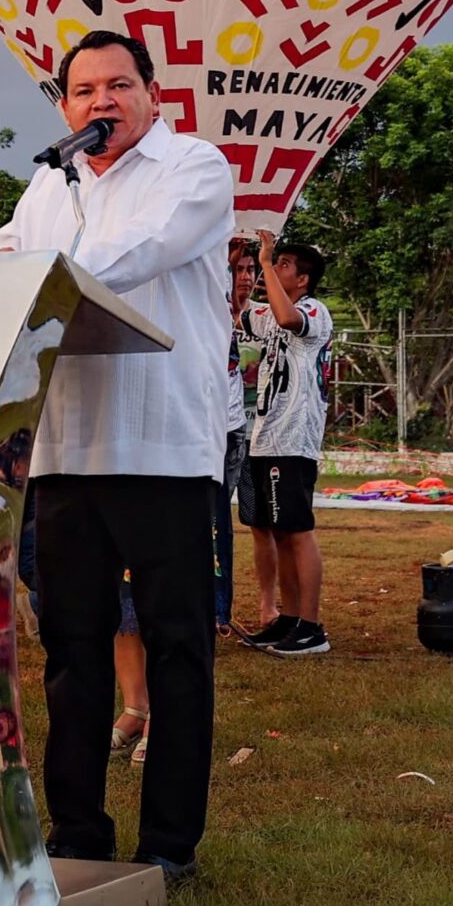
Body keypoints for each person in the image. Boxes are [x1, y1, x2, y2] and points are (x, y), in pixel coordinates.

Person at [0, 29, 234, 886]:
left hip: (161, 446)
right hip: (60, 447)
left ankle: (170, 845)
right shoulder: (47, 188)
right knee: (72, 647)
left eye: (119, 86)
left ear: (153, 93)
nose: (102, 103)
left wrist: (40, 275)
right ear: (63, 107)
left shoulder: (194, 168)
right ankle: (78, 832)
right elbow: (1, 261)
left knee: (176, 648)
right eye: (84, 91)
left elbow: (143, 254)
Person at [242, 232, 334, 657]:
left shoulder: (313, 310)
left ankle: (313, 628)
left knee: (298, 532)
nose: (273, 269)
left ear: (303, 279)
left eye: (283, 265)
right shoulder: (272, 309)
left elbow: (285, 319)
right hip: (265, 437)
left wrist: (263, 262)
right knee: (278, 531)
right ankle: (291, 619)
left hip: (294, 438)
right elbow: (237, 314)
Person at [211, 238, 255, 635]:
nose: (246, 277)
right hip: (204, 429)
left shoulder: (249, 315)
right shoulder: (210, 299)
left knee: (217, 522)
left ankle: (219, 610)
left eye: (250, 270)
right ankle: (214, 608)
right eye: (238, 269)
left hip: (230, 429)